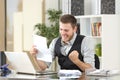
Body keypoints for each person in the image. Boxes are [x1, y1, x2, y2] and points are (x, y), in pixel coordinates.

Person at [30, 14, 95, 72]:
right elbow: (43, 67)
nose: (63, 33)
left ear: (75, 29)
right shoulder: (55, 42)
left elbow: (91, 69)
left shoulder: (85, 41)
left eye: (66, 30)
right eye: (61, 29)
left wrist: (76, 61)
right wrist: (35, 56)